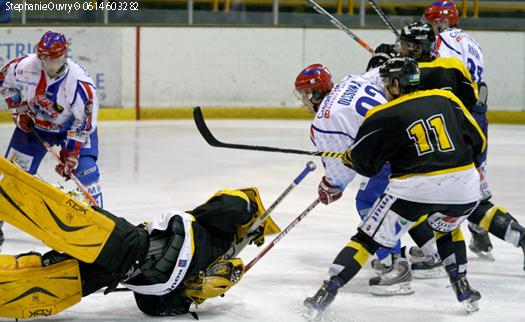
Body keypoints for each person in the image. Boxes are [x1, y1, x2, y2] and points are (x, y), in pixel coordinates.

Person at [303, 57, 486, 319]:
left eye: (387, 85)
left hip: (415, 188)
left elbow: (367, 165)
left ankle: (325, 293)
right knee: (447, 228)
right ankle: (463, 288)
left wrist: (349, 157)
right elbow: (477, 139)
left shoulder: (384, 114)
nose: (384, 90)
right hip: (465, 188)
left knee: (366, 238)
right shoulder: (446, 98)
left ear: (397, 84)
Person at [0, 155, 279, 319]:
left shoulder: (217, 265)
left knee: (35, 282)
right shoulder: (217, 227)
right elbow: (228, 205)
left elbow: (151, 306)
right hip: (126, 244)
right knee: (41, 210)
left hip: (111, 275)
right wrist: (249, 210)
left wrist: (190, 296)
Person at [295, 63, 441, 295]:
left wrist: (330, 185)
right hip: (420, 139)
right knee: (406, 201)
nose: (301, 101)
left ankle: (394, 266)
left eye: (303, 95)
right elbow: (380, 73)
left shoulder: (324, 121)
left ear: (313, 94)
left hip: (395, 153)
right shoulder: (350, 81)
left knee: (369, 201)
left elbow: (340, 173)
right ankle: (434, 252)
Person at [0, 31, 104, 249]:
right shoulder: (24, 66)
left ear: (64, 56)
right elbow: (3, 80)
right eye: (43, 57)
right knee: (13, 175)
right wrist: (19, 109)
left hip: (71, 130)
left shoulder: (80, 84)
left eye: (53, 58)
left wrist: (72, 155)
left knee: (87, 173)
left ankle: (99, 228)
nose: (47, 63)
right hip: (36, 127)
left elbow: (84, 123)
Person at [422, 0, 496, 261]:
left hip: (459, 113)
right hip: (478, 112)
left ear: (442, 21)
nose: (429, 27)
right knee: (476, 179)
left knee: (451, 179)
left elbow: (444, 76)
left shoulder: (444, 42)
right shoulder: (472, 42)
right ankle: (481, 232)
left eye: (431, 23)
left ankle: (437, 246)